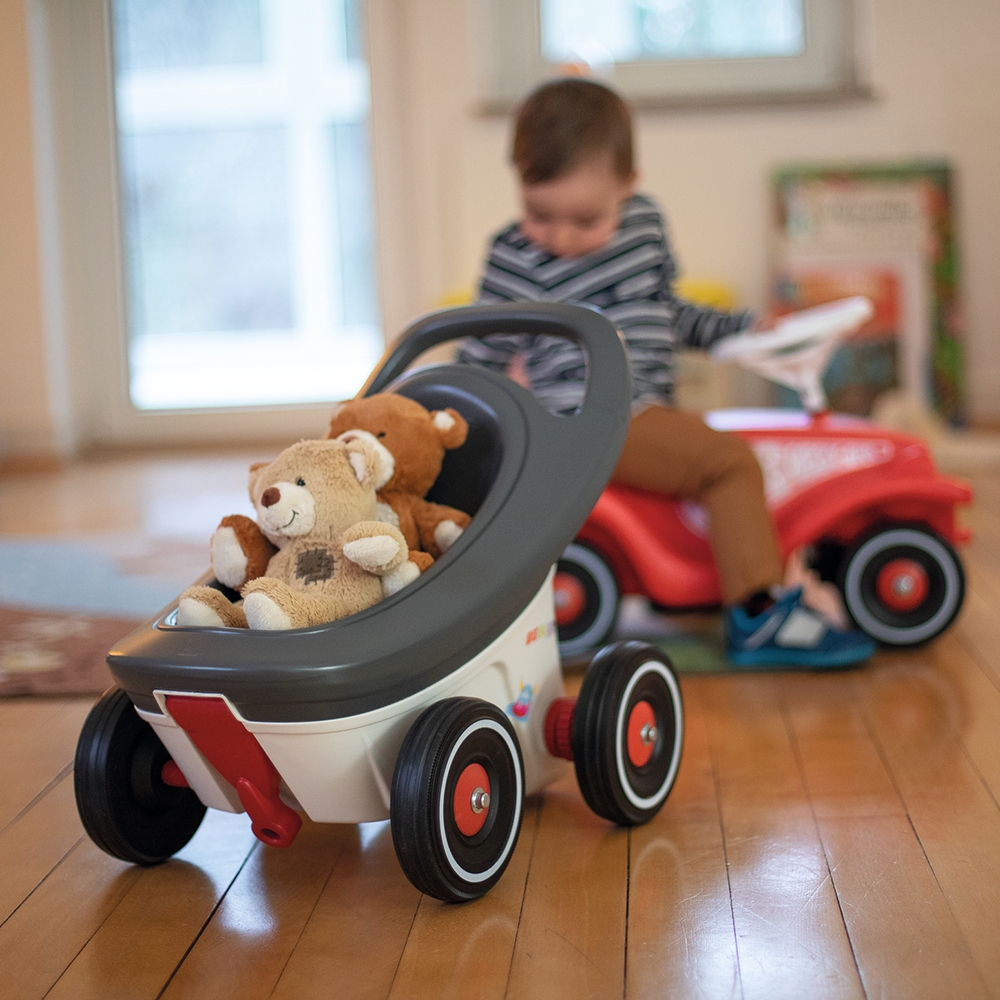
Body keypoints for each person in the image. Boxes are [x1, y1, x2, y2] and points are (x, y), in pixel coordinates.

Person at [457, 77, 875, 668]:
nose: (561, 237)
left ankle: (713, 577)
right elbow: (480, 355)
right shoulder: (512, 257)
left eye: (585, 219)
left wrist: (745, 327)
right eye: (539, 214)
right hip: (587, 421)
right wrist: (462, 428)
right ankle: (759, 613)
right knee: (729, 462)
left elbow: (667, 313)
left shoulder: (645, 227)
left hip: (645, 410)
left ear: (628, 184)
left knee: (720, 441)